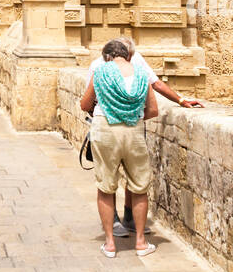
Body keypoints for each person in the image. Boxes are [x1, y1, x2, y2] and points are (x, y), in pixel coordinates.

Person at [111, 38, 204, 237]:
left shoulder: (136, 62)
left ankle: (128, 217)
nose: (130, 58)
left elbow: (156, 84)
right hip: (112, 127)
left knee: (129, 175)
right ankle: (113, 220)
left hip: (126, 126)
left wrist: (180, 99)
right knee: (114, 176)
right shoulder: (100, 65)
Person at [79, 39, 157, 259]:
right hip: (134, 131)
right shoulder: (141, 73)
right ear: (128, 56)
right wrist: (133, 116)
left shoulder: (101, 71)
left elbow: (85, 105)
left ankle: (110, 244)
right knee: (139, 186)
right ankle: (141, 242)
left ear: (107, 56)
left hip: (105, 130)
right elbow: (153, 110)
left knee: (106, 185)